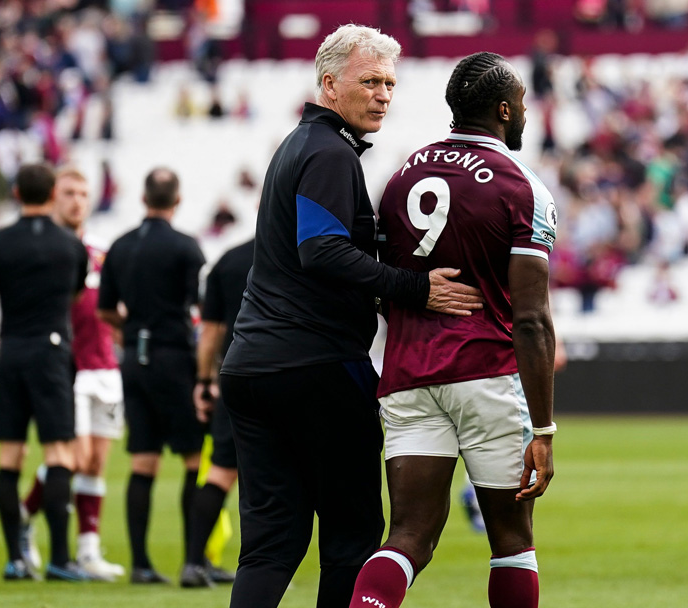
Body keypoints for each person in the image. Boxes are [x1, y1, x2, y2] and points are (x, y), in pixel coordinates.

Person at [218, 24, 484, 608]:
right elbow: (323, 249)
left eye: (390, 82)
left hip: (252, 368)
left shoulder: (299, 146)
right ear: (329, 84)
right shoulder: (328, 151)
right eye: (370, 81)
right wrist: (415, 288)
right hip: (315, 366)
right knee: (351, 537)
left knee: (269, 547)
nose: (383, 93)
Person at [348, 51, 557, 608]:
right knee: (512, 542)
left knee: (408, 537)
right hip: (486, 374)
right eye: (524, 106)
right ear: (505, 108)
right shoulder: (522, 187)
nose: (527, 115)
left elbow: (375, 277)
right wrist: (544, 429)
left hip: (407, 374)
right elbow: (533, 319)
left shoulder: (401, 176)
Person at [0, 163, 91, 581]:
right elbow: (74, 294)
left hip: (12, 351)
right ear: (53, 194)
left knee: (10, 457)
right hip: (53, 353)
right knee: (58, 455)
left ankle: (17, 558)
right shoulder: (72, 246)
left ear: (16, 193)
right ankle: (59, 557)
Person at [97, 168, 206, 585]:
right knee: (194, 459)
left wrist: (133, 333)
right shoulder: (185, 248)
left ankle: (141, 564)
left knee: (143, 460)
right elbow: (199, 308)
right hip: (174, 358)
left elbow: (106, 310)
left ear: (143, 199)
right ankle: (192, 560)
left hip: (134, 360)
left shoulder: (120, 248)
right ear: (176, 201)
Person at [19, 168, 126, 581]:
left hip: (105, 365)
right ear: (52, 196)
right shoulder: (43, 250)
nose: (77, 200)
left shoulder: (100, 251)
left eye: (83, 193)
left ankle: (88, 551)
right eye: (68, 193)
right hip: (66, 366)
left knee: (96, 462)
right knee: (74, 457)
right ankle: (25, 521)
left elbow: (111, 305)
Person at [179, 238, 253, 589]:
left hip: (235, 374)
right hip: (291, 374)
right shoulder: (304, 251)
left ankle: (193, 563)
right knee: (285, 475)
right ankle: (267, 562)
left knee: (221, 472)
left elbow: (210, 331)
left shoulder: (230, 259)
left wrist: (204, 380)